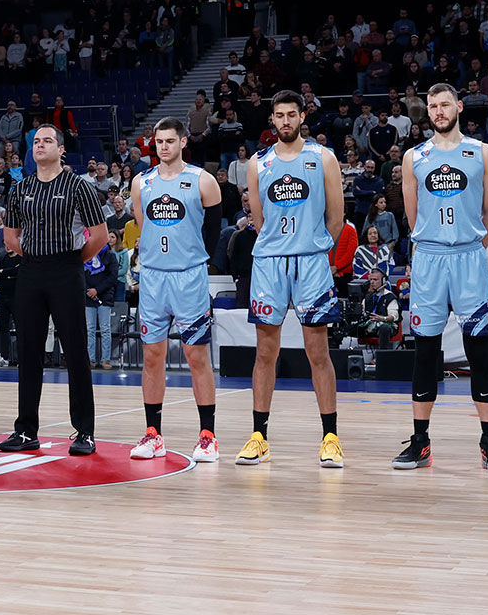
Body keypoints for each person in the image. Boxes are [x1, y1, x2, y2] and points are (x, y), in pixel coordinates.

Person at [393, 84, 488, 473]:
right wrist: (432, 245)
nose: (439, 111)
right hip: (428, 258)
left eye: (445, 104)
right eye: (432, 106)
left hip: (469, 257)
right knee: (425, 351)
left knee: (480, 350)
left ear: (459, 106)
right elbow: (412, 216)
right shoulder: (414, 156)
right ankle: (420, 441)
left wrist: (472, 247)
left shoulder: (483, 152)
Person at [236, 90, 345, 468]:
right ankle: (259, 437)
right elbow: (259, 220)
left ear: (302, 117)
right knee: (265, 352)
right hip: (269, 263)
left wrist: (313, 248)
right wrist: (278, 246)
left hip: (311, 262)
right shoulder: (258, 163)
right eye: (279, 115)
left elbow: (336, 219)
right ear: (272, 120)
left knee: (318, 352)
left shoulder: (322, 157)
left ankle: (330, 437)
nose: (285, 121)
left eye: (291, 115)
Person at [0, 124, 109, 455]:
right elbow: (10, 238)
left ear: (62, 149)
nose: (40, 145)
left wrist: (73, 261)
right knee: (29, 352)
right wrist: (36, 259)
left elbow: (100, 235)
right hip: (31, 271)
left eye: (47, 140)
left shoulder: (78, 187)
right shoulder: (20, 189)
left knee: (76, 352)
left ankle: (84, 432)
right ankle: (25, 430)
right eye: (35, 141)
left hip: (67, 270)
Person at [129, 118, 224, 464]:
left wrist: (193, 259)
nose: (163, 146)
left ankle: (208, 436)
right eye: (159, 141)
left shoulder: (203, 181)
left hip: (189, 277)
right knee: (151, 357)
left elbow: (213, 232)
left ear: (184, 142)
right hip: (153, 277)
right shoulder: (141, 182)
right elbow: (143, 224)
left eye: (170, 141)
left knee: (196, 356)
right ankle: (153, 435)